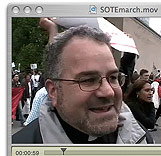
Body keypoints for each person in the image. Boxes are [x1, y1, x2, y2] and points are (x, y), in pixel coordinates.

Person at [12, 25, 152, 144]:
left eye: (113, 77)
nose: (109, 92)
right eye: (88, 80)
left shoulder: (141, 139)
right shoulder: (17, 151)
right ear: (54, 91)